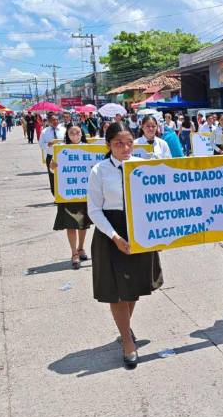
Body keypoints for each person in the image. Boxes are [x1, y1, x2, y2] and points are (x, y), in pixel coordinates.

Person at [87, 122, 164, 369]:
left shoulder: (141, 166)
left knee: (132, 287)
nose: (125, 147)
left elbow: (156, 200)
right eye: (118, 143)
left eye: (129, 142)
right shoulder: (99, 171)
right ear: (108, 145)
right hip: (111, 233)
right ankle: (127, 342)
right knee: (117, 290)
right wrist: (115, 237)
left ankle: (125, 329)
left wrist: (158, 234)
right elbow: (94, 210)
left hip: (139, 229)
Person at [51, 124, 93, 269]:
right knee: (70, 224)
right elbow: (54, 171)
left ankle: (81, 248)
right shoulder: (61, 150)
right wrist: (53, 167)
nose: (75, 135)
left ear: (82, 134)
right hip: (68, 195)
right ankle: (74, 253)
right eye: (72, 133)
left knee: (83, 224)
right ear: (67, 135)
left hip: (83, 194)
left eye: (78, 132)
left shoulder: (89, 150)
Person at [39, 113, 66, 195]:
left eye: (57, 119)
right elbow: (41, 144)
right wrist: (48, 144)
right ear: (49, 121)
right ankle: (55, 194)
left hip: (63, 156)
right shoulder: (44, 131)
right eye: (53, 120)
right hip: (51, 156)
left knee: (63, 176)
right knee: (52, 176)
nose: (55, 121)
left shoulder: (63, 130)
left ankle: (63, 193)